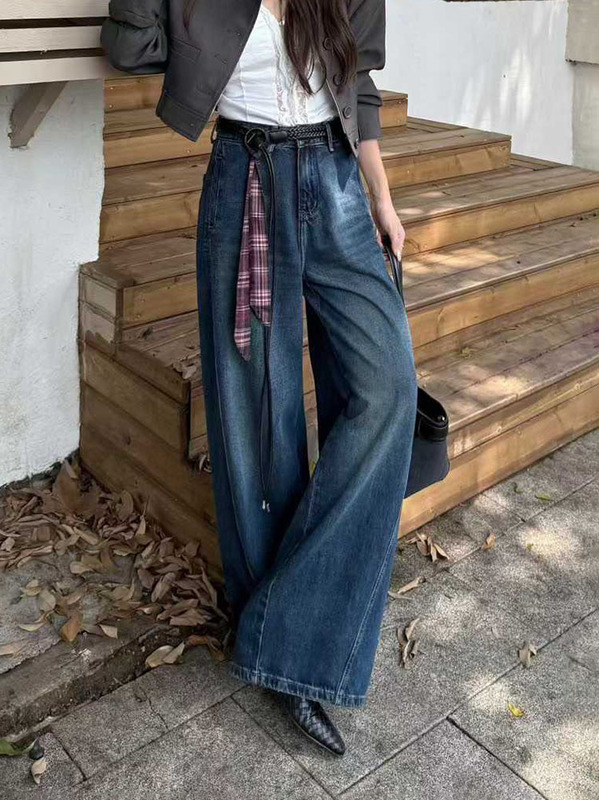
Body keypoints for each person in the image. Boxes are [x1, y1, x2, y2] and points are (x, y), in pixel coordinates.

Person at [102, 0, 418, 757]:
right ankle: (286, 655)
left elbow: (358, 82)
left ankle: (283, 619)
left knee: (387, 391)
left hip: (338, 185)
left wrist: (381, 198)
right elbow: (130, 45)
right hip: (245, 178)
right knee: (256, 417)